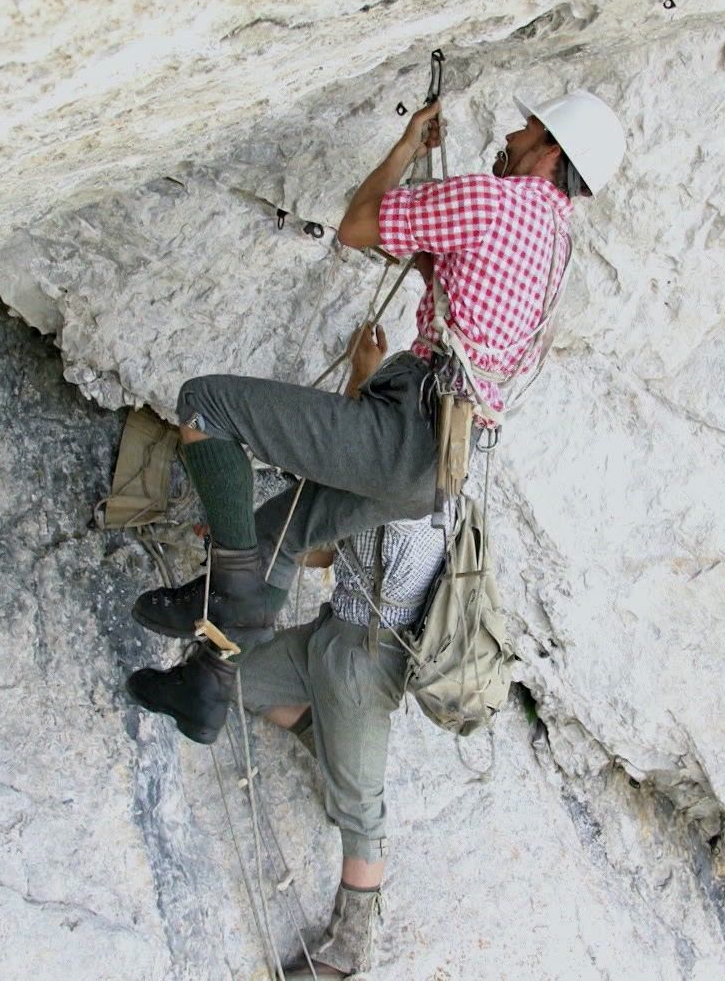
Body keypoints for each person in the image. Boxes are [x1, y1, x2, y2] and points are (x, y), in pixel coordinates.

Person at [130, 88, 626, 732]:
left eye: (526, 128)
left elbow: (357, 225)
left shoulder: (493, 201)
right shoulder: (555, 249)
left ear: (550, 147)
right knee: (282, 533)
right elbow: (466, 295)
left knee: (206, 402)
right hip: (444, 467)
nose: (511, 135)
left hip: (406, 430)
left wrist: (405, 148)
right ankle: (206, 687)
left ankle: (232, 594)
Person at [128, 323, 447, 979]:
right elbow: (337, 504)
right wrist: (361, 377)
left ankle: (348, 948)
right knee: (231, 684)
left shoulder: (423, 502)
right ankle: (310, 732)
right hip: (329, 641)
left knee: (360, 806)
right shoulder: (391, 485)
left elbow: (350, 500)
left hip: (366, 660)